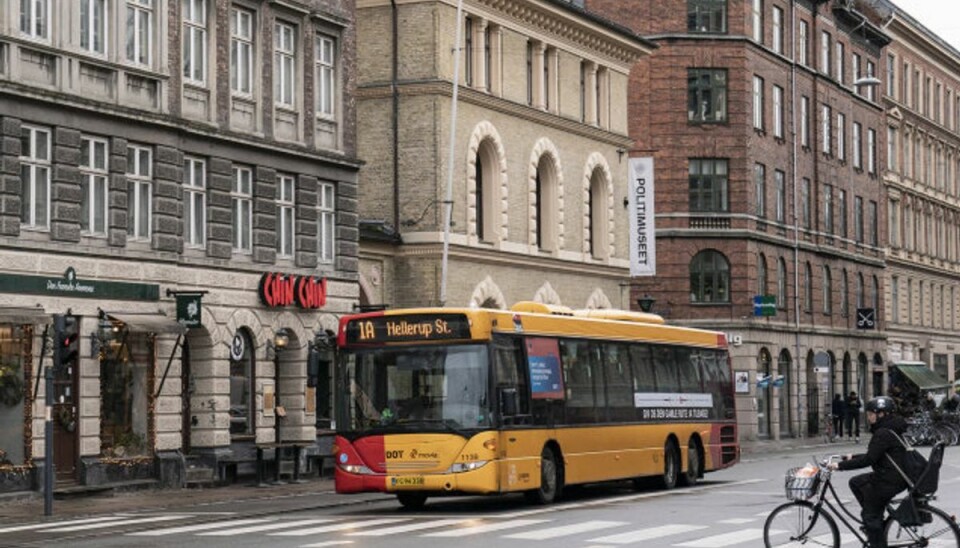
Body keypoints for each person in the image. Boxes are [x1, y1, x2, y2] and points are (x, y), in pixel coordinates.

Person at [828, 396, 910, 548]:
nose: (868, 417)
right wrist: (851, 457)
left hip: (889, 480)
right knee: (856, 482)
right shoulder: (891, 428)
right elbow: (877, 454)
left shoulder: (883, 432)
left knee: (870, 515)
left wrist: (839, 466)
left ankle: (874, 530)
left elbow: (868, 460)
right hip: (894, 476)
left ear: (882, 414)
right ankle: (875, 519)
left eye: (871, 414)